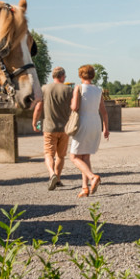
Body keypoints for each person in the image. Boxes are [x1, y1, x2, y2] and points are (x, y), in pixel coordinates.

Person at [69, 65, 108, 197]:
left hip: (83, 123)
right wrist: (106, 128)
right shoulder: (98, 90)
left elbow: (75, 107)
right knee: (85, 156)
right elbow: (104, 111)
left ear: (81, 75)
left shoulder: (79, 88)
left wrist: (71, 103)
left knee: (74, 156)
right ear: (93, 75)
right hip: (95, 123)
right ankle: (84, 188)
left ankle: (92, 177)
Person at [33, 67, 73, 190]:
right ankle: (58, 179)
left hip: (49, 128)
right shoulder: (69, 90)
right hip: (65, 128)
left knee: (48, 153)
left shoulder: (45, 89)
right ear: (62, 76)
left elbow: (39, 107)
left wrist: (35, 122)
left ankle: (52, 174)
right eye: (65, 76)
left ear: (53, 76)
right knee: (60, 156)